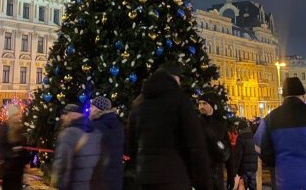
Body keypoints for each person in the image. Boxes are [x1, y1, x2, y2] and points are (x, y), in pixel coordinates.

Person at [127, 62, 212, 190]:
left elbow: (131, 143)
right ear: (175, 78)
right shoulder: (180, 100)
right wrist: (204, 183)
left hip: (144, 179)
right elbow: (196, 145)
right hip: (174, 177)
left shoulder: (139, 104)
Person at [52, 103, 105, 190]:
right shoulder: (96, 132)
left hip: (74, 184)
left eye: (65, 114)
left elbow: (62, 163)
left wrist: (59, 183)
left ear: (72, 115)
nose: (62, 117)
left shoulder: (69, 133)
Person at [198, 92, 236, 190]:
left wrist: (231, 176)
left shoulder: (220, 125)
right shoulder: (196, 123)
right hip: (201, 173)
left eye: (204, 103)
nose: (201, 106)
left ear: (212, 105)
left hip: (217, 174)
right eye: (200, 103)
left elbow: (228, 151)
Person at [90, 96, 124, 190]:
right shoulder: (118, 126)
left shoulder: (96, 126)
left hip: (100, 176)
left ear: (98, 109)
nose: (90, 110)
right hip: (115, 176)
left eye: (92, 107)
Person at [0, 105, 27, 190]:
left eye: (17, 115)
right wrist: (12, 153)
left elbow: (23, 145)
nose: (16, 118)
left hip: (17, 168)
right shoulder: (4, 129)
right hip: (8, 168)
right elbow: (1, 148)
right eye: (14, 115)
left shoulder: (19, 129)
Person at [235, 119, 258, 190]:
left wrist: (237, 169)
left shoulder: (240, 137)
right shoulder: (254, 135)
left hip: (244, 168)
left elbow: (239, 154)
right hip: (254, 167)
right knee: (253, 186)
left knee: (244, 186)